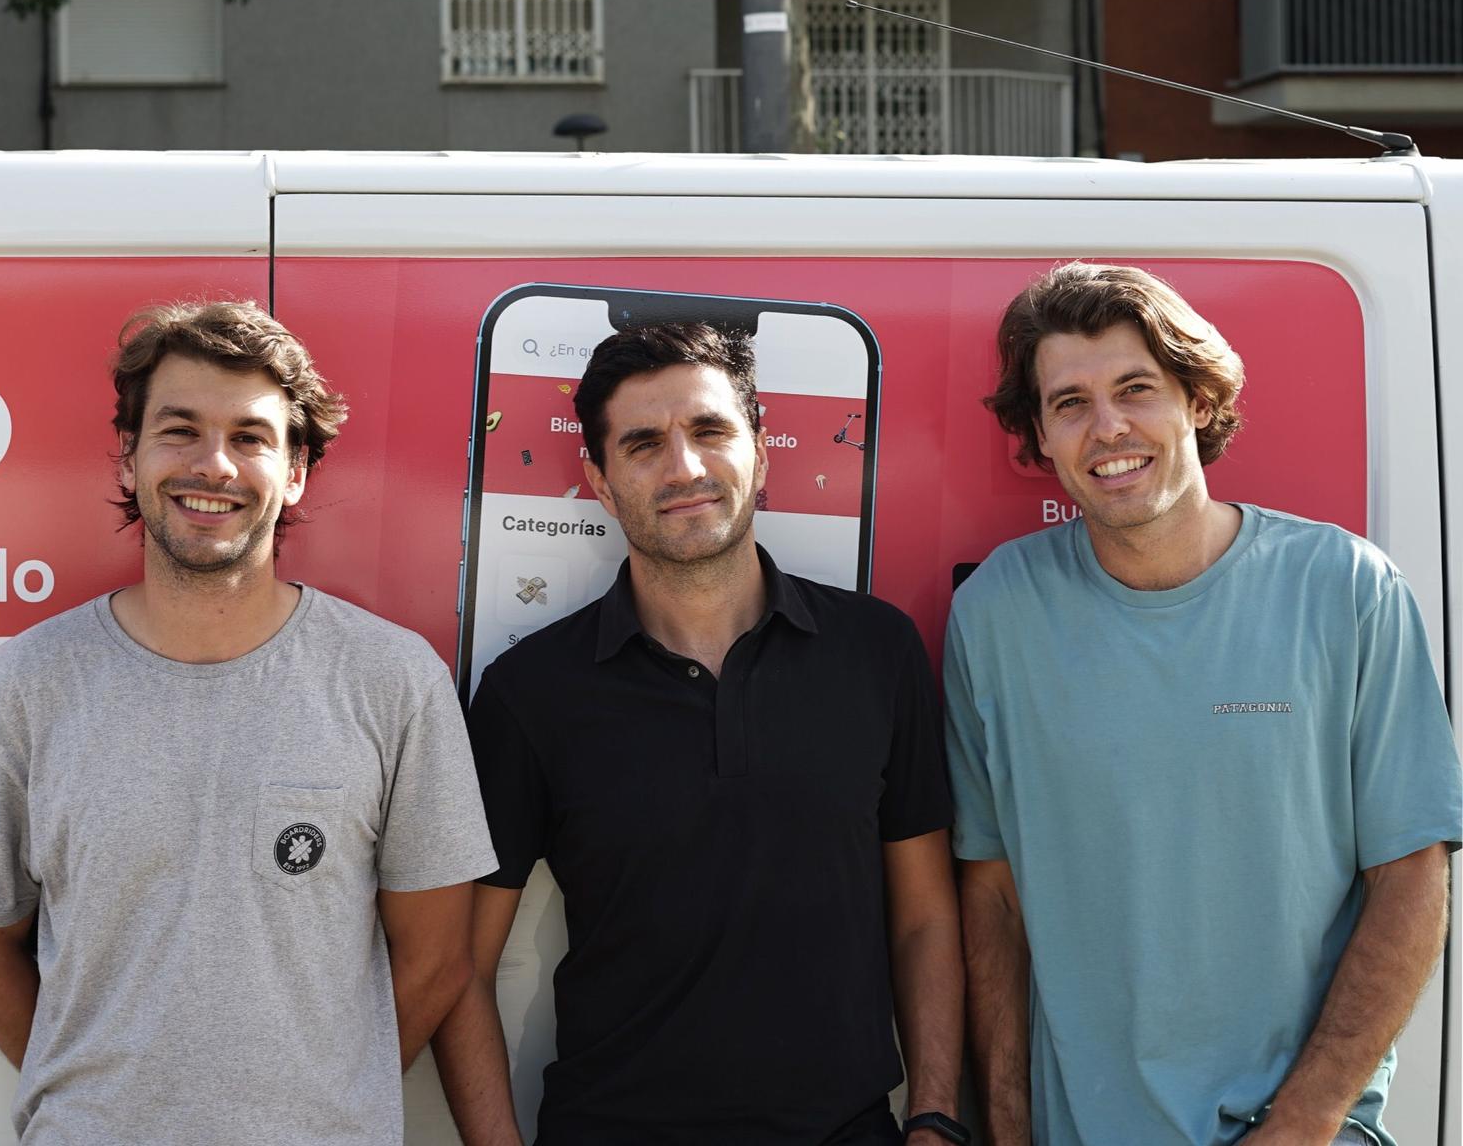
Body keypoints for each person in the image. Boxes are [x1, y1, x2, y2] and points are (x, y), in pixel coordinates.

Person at [0, 299, 498, 1145]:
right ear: (128, 456)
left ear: (297, 469)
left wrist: (322, 1106)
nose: (214, 466)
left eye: (251, 438)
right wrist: (95, 1108)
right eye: (180, 430)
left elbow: (437, 958)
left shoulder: (391, 679)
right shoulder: (28, 684)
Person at [947, 263, 1463, 1146]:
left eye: (1136, 389)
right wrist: (1004, 1123)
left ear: (1197, 398)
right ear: (1039, 432)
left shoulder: (1345, 589)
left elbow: (1413, 876)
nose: (1107, 427)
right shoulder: (995, 612)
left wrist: (1302, 1123)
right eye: (1069, 402)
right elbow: (990, 894)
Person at [434, 322, 968, 1146]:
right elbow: (460, 965)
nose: (684, 468)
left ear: (762, 452)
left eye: (710, 431)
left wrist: (934, 1117)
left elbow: (925, 917)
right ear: (601, 485)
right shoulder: (530, 694)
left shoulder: (877, 653)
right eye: (643, 444)